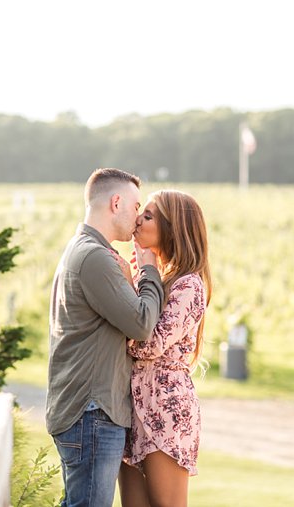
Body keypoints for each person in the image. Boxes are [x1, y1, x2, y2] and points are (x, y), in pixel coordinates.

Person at [46, 168, 165, 507]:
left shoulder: (83, 249)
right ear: (116, 203)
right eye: (136, 206)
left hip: (86, 410)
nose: (139, 217)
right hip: (92, 410)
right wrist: (150, 270)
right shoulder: (95, 257)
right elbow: (142, 323)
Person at [118, 190, 212, 507]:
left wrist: (147, 272)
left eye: (149, 215)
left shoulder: (188, 285)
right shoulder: (161, 280)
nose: (138, 220)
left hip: (165, 408)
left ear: (173, 229)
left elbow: (149, 343)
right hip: (133, 406)